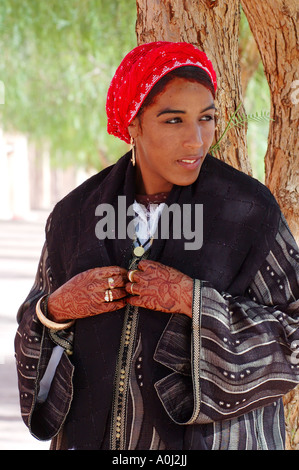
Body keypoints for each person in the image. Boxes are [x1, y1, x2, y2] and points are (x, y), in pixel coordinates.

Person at [15, 41, 299, 450]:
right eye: (173, 121)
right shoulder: (75, 215)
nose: (196, 140)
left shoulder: (248, 212)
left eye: (207, 118)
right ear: (134, 124)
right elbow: (34, 322)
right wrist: (58, 309)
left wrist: (195, 301)